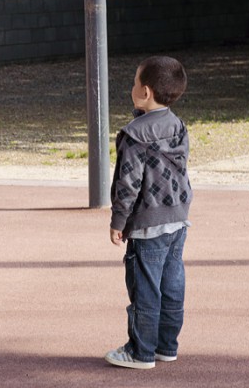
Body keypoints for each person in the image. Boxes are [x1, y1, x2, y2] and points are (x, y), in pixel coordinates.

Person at [104, 55, 192, 370]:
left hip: (147, 224)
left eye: (134, 82)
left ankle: (140, 351)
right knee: (171, 284)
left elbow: (128, 184)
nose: (132, 88)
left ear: (145, 92)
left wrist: (118, 221)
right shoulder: (178, 125)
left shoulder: (135, 135)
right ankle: (166, 346)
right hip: (178, 218)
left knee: (144, 288)